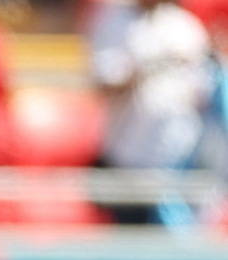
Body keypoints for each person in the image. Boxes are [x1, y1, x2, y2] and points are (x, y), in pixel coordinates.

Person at [90, 0, 213, 223]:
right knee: (131, 237)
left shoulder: (184, 25)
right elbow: (102, 84)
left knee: (178, 239)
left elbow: (204, 92)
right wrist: (144, 68)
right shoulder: (113, 20)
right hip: (128, 159)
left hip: (179, 158)